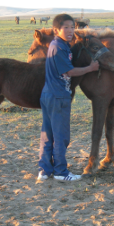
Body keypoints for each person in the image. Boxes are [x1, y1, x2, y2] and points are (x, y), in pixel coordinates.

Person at [38, 14, 99, 182]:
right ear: (57, 30)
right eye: (66, 27)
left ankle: (45, 171)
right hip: (58, 96)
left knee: (48, 134)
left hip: (50, 94)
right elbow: (69, 72)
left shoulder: (60, 45)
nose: (71, 30)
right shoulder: (58, 47)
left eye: (72, 27)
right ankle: (60, 172)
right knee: (60, 136)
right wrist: (90, 68)